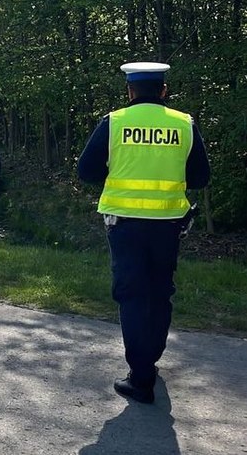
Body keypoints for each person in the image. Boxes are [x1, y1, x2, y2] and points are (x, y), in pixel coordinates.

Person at [77, 61, 210, 404]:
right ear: (163, 92)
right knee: (160, 292)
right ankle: (151, 358)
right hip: (168, 225)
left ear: (130, 91)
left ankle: (141, 378)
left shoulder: (115, 122)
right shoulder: (184, 124)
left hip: (125, 226)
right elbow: (200, 178)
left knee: (133, 295)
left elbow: (86, 170)